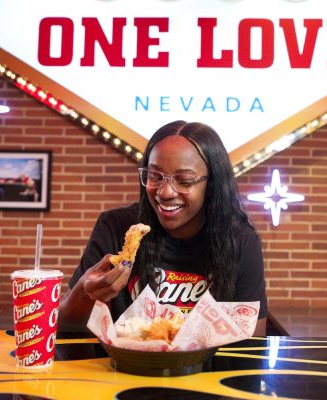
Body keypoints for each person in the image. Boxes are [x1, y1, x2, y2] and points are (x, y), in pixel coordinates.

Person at [58, 120, 268, 335]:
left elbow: (252, 341)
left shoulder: (240, 241)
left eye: (184, 180)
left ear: (212, 184)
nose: (165, 192)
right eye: (155, 176)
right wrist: (85, 293)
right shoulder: (115, 228)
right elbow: (64, 326)